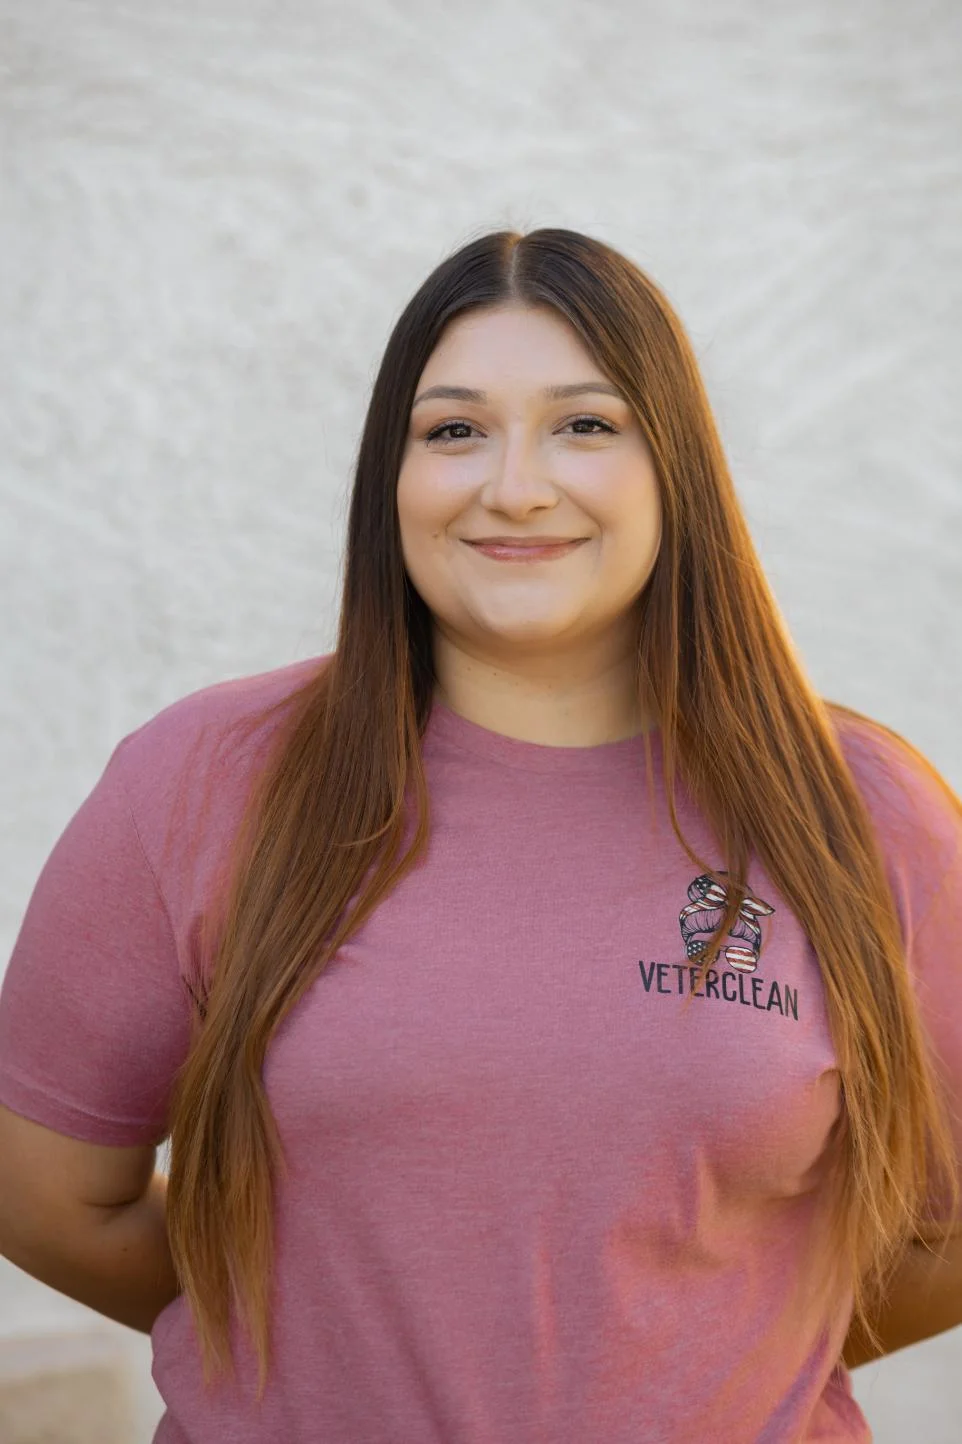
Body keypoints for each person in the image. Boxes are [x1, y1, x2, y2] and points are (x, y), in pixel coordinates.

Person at [0, 227, 960, 1444]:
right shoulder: (201, 778)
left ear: (675, 467)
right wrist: (301, 1349)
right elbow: (49, 1200)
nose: (514, 483)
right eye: (452, 429)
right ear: (388, 477)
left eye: (585, 424)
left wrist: (720, 1349)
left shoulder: (865, 810)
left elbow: (947, 1235)